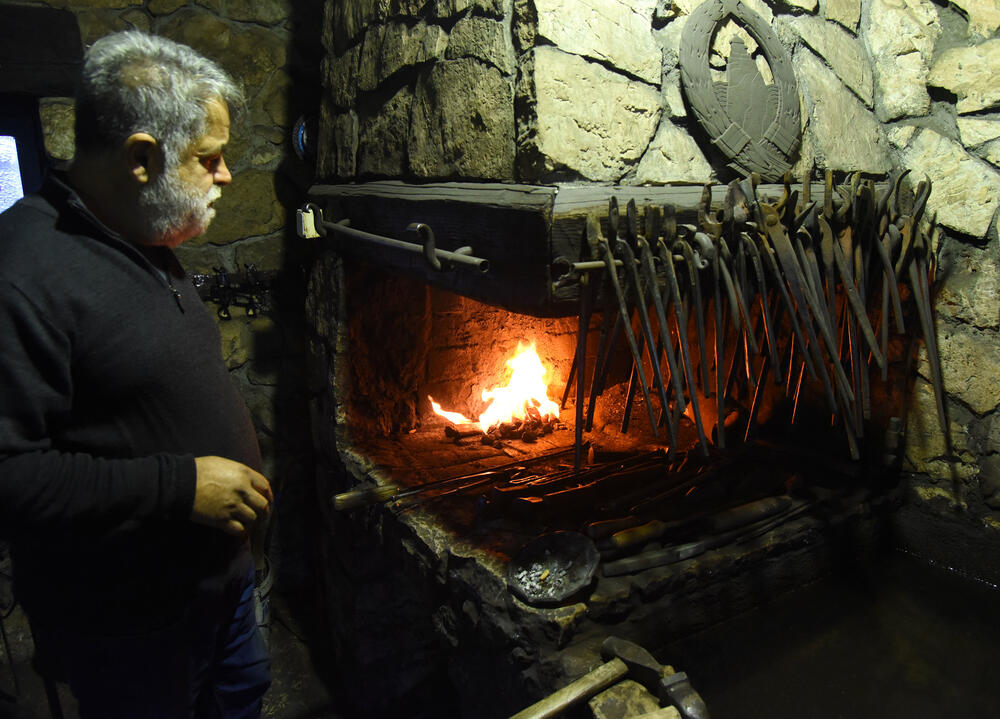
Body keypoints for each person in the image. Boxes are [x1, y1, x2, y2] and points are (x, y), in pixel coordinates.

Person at [0, 31, 273, 718]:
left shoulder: (142, 230)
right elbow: (10, 472)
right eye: (208, 157)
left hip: (220, 585)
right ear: (142, 158)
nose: (225, 175)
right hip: (130, 625)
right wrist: (179, 487)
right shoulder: (21, 271)